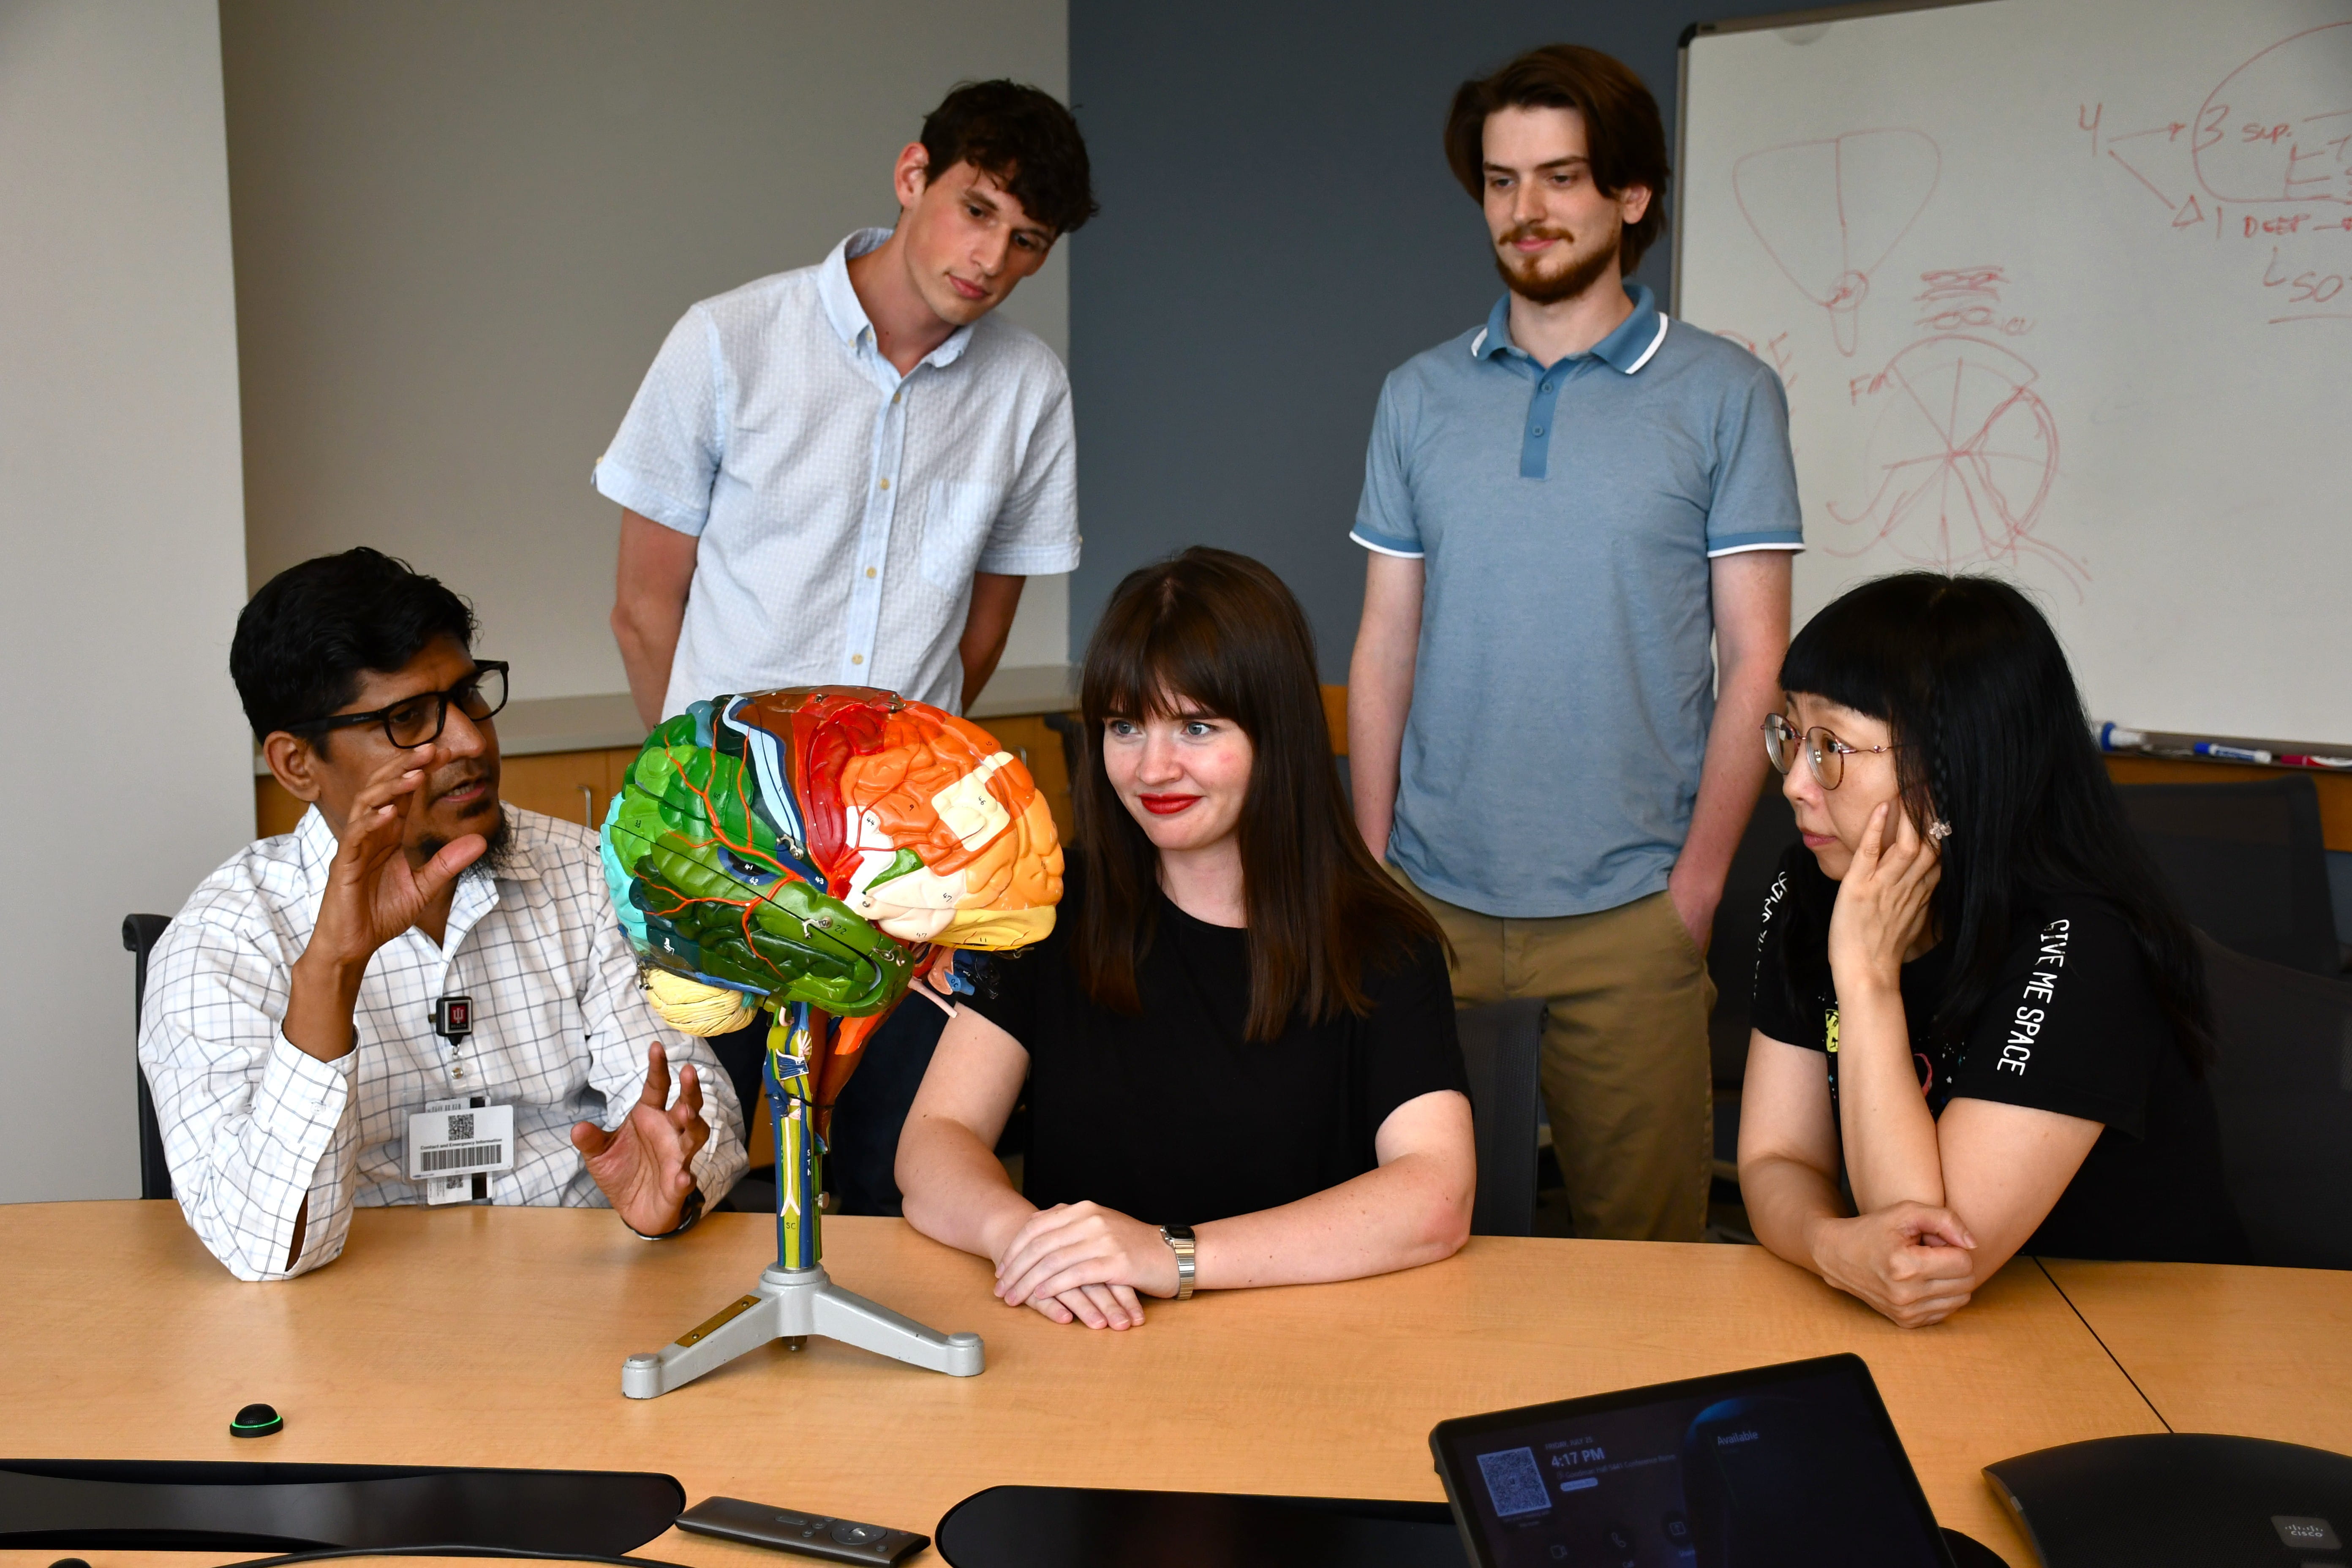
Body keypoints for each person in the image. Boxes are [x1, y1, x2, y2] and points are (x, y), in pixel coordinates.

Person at [594, 80, 1095, 1208]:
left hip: (905, 867)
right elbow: (642, 607)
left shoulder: (1029, 392)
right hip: (719, 851)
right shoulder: (730, 342)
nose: (991, 259)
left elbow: (986, 623)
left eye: (1027, 243)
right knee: (700, 1164)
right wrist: (719, 813)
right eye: (976, 211)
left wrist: (889, 806)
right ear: (913, 175)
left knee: (886, 1175)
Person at [1346, 44, 1801, 1242]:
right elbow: (1387, 643)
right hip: (1425, 905)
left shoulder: (1726, 393)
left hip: (1632, 913)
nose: (1526, 212)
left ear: (1632, 196)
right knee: (1408, 1251)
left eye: (1559, 179)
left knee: (1642, 1272)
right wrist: (1367, 866)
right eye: (1501, 182)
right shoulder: (1418, 395)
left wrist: (1693, 895)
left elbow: (1758, 660)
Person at [897, 548, 1475, 1328]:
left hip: (1312, 1345)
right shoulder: (1051, 908)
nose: (1153, 768)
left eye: (1197, 726)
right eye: (1125, 726)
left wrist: (1168, 1257)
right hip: (1086, 1339)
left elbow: (1435, 1195)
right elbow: (937, 1140)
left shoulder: (1383, 940)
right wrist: (1025, 1240)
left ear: (1278, 734)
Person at [139, 549, 746, 1282]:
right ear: (298, 763)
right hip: (349, 1320)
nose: (469, 742)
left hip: (585, 1288)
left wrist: (675, 1191)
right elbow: (262, 1248)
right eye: (408, 720)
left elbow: (686, 1100)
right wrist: (330, 971)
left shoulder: (588, 874)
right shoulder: (223, 942)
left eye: (468, 695)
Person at [1739, 573, 2250, 1328]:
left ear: (1957, 763)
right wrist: (1830, 1246)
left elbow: (1935, 1250)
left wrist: (1868, 980)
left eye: (1833, 747)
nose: (1795, 785)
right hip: (1945, 1338)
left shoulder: (2085, 943)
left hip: (2130, 1341)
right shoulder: (1814, 884)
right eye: (1792, 736)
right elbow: (1774, 1159)